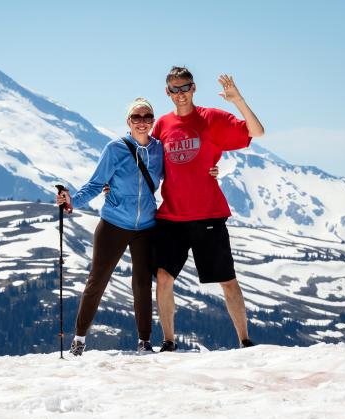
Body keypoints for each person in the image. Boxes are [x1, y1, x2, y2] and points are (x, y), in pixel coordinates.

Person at [152, 66, 265, 352]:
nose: (181, 94)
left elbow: (257, 132)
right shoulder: (162, 125)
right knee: (163, 278)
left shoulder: (211, 118)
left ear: (193, 88)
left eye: (185, 87)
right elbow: (148, 164)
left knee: (227, 280)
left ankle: (245, 340)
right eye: (174, 89)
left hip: (209, 214)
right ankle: (168, 341)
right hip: (172, 216)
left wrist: (237, 100)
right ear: (167, 92)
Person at [56, 98, 163, 355]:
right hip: (114, 223)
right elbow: (96, 184)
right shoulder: (115, 149)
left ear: (153, 120)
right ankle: (79, 339)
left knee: (142, 284)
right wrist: (72, 202)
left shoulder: (160, 149)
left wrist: (210, 171)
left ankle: (144, 341)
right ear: (128, 122)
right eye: (136, 117)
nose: (142, 121)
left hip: (147, 226)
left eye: (147, 116)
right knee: (97, 281)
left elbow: (177, 176)